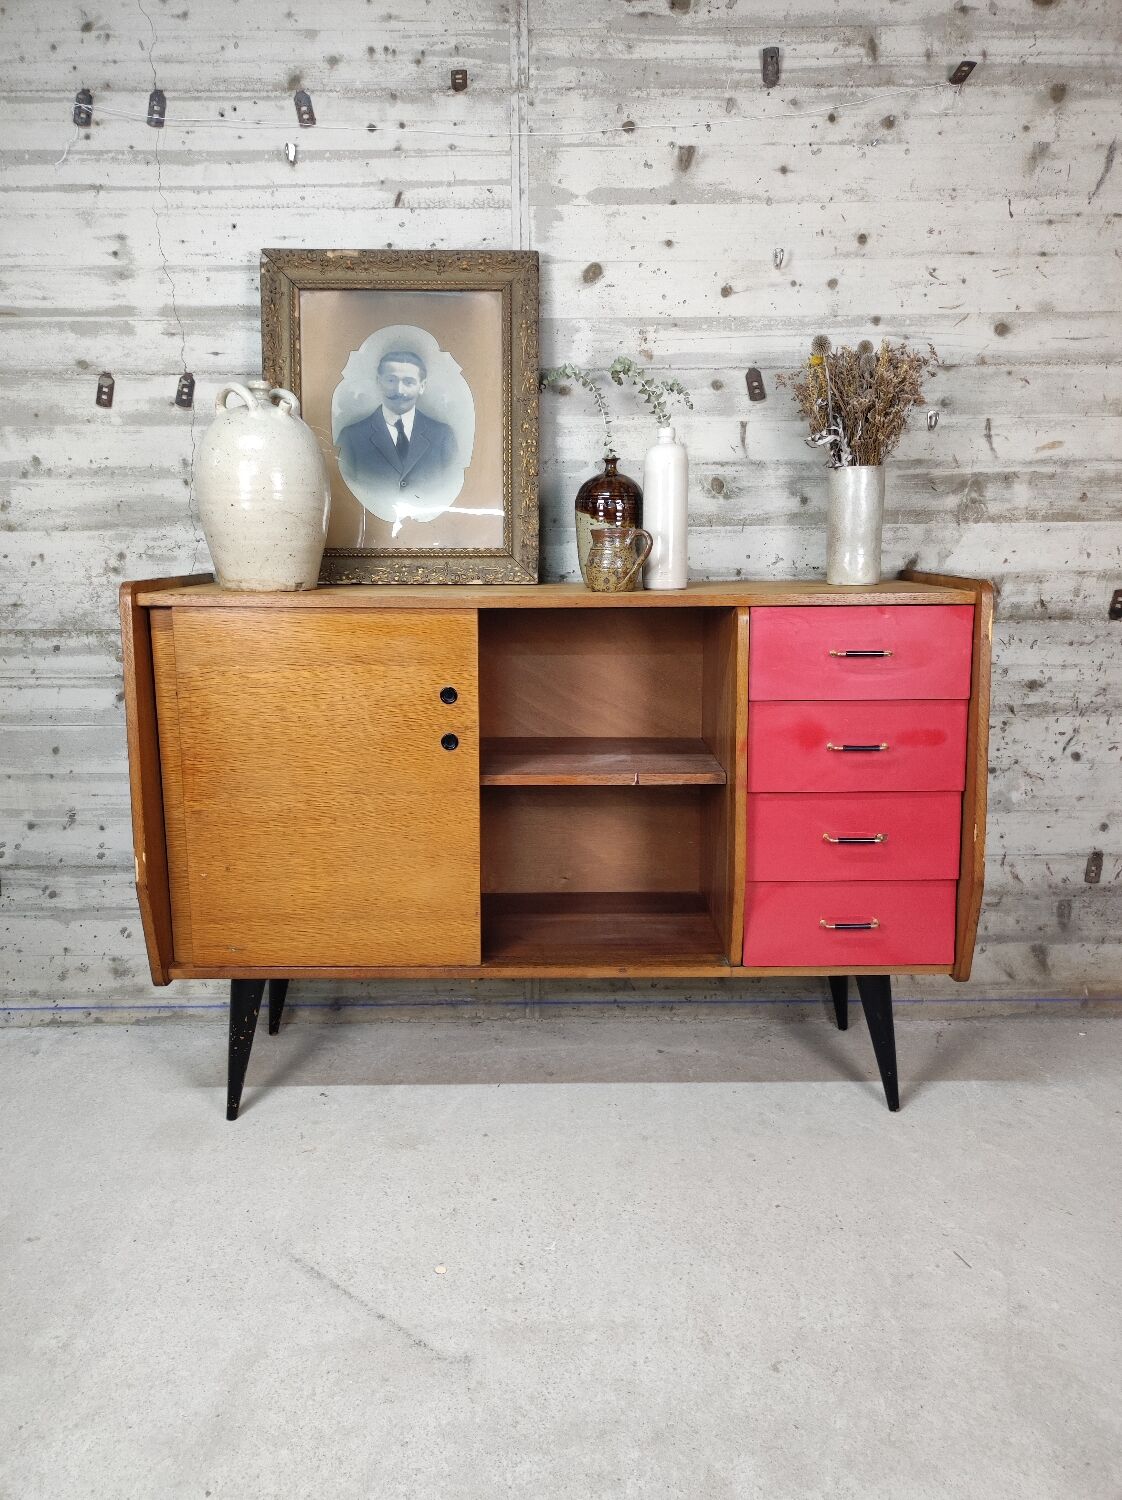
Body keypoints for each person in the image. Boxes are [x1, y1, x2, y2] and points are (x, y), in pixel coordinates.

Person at [335, 350, 459, 518]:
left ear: (422, 386)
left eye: (408, 382)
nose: (399, 390)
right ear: (378, 382)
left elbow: (452, 491)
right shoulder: (351, 437)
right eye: (391, 380)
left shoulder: (443, 436)